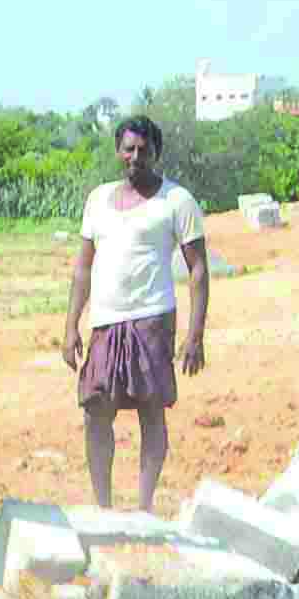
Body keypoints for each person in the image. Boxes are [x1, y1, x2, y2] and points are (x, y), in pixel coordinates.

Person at [64, 116, 209, 511]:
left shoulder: (177, 201)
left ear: (156, 153)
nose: (135, 156)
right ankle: (104, 508)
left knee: (151, 411)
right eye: (128, 149)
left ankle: (145, 509)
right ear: (118, 151)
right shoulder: (98, 200)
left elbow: (197, 269)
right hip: (105, 321)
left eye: (144, 150)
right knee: (96, 411)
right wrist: (71, 326)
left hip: (152, 319)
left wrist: (195, 336)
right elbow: (83, 268)